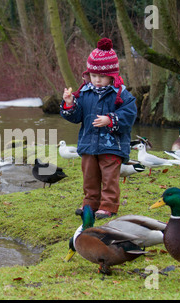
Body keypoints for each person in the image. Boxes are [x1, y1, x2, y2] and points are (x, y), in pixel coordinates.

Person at [61, 38, 137, 219]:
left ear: (112, 76)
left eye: (101, 77)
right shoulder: (84, 93)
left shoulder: (121, 94)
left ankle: (109, 205)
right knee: (89, 177)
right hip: (88, 144)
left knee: (110, 177)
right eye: (94, 76)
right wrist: (70, 104)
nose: (97, 80)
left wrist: (110, 120)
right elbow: (76, 116)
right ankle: (90, 203)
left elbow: (129, 115)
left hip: (112, 145)